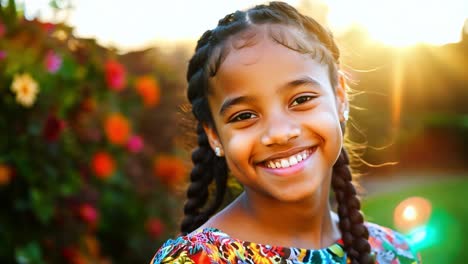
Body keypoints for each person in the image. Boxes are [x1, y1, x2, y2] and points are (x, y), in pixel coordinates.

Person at [151, 2, 420, 263]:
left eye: (301, 100)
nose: (279, 133)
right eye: (244, 116)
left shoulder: (393, 252)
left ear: (340, 97)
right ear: (214, 136)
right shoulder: (199, 260)